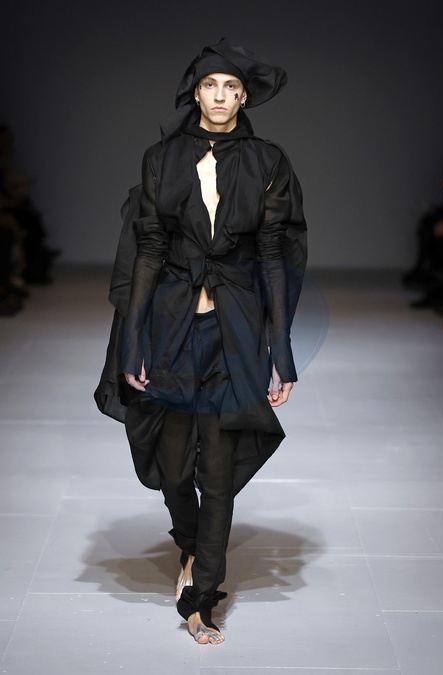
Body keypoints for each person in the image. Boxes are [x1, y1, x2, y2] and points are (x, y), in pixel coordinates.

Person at [95, 39, 307, 644]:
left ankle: (203, 597)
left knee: (216, 466)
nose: (220, 96)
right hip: (170, 323)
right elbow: (149, 250)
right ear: (196, 93)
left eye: (231, 88)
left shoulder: (268, 160)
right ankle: (189, 544)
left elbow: (274, 255)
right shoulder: (161, 159)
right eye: (210, 85)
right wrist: (132, 340)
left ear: (244, 97)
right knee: (170, 467)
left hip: (232, 328)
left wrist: (281, 351)